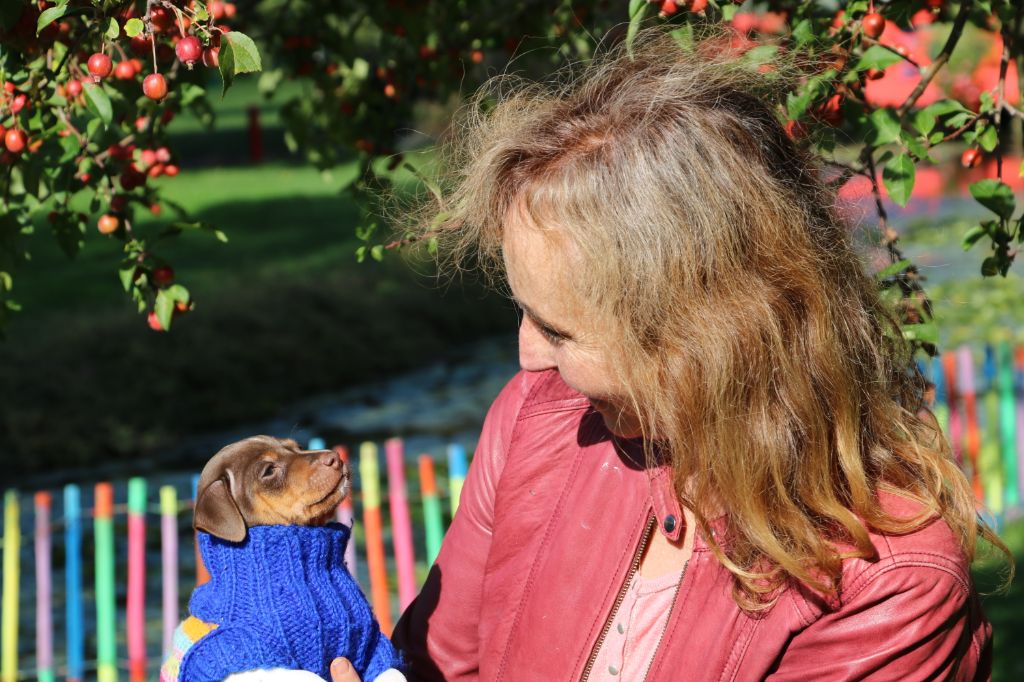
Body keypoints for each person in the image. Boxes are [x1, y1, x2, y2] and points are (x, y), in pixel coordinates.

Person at [330, 24, 1011, 681]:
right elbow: (432, 669)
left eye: (560, 331)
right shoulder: (535, 422)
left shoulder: (887, 586)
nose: (528, 360)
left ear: (699, 334)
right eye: (527, 314)